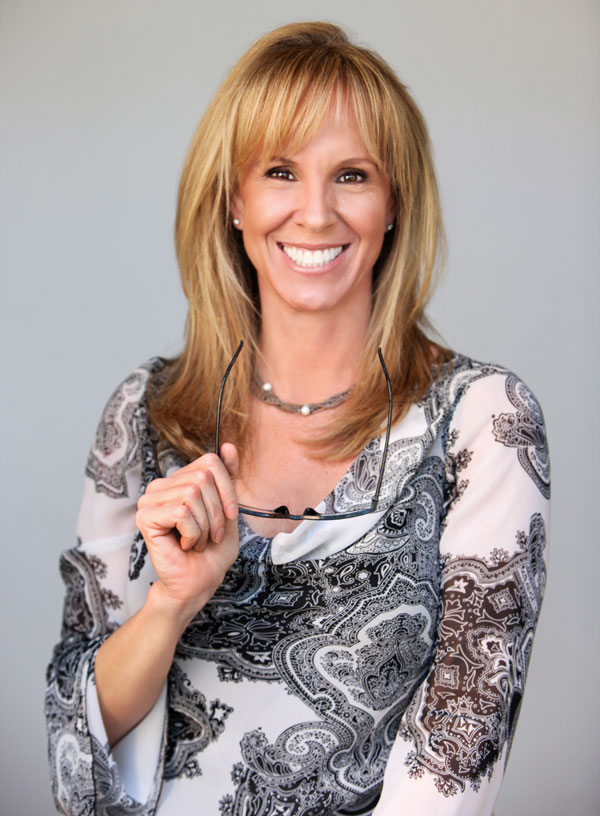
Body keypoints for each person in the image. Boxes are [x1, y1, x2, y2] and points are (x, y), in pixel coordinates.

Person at [45, 21, 550, 816]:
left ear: (393, 207)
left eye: (352, 175)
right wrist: (170, 604)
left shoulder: (482, 422)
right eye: (281, 171)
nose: (315, 213)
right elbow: (76, 748)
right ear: (233, 202)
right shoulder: (143, 414)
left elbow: (459, 747)